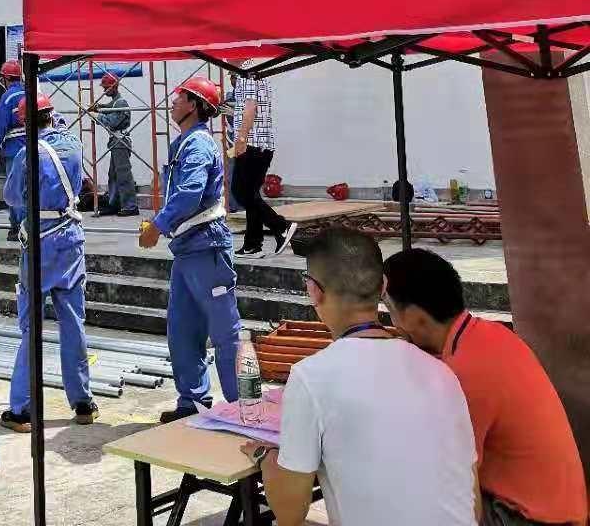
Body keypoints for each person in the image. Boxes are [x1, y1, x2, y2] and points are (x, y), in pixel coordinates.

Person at [259, 228, 477, 526]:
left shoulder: (311, 377)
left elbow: (290, 514)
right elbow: (471, 500)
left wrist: (266, 459)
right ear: (383, 285)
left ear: (313, 290)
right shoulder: (441, 372)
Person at [383, 248, 587, 526]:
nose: (392, 323)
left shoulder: (463, 375)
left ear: (414, 317)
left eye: (390, 308)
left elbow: (457, 481)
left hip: (528, 518)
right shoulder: (490, 334)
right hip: (562, 506)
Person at [139, 77, 241, 422]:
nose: (173, 101)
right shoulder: (184, 142)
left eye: (180, 97)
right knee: (183, 330)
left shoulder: (197, 144)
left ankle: (242, 408)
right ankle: (193, 403)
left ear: (194, 105)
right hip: (187, 248)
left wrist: (157, 225)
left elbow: (189, 194)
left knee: (224, 331)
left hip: (206, 247)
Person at [1, 92, 97, 432]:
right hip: (70, 238)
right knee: (73, 322)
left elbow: (12, 196)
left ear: (24, 120)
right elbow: (81, 183)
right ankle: (83, 402)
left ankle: (23, 409)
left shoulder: (27, 153)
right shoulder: (73, 145)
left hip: (41, 242)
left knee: (32, 327)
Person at [229, 74, 295, 256]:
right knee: (251, 196)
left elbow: (250, 107)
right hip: (261, 146)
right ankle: (252, 244)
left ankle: (281, 226)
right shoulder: (259, 73)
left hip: (251, 145)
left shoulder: (247, 74)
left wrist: (241, 139)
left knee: (240, 192)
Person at [0, 58, 26, 240]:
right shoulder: (30, 93)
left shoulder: (8, 97)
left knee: (15, 189)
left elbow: (0, 125)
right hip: (34, 148)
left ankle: (17, 227)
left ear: (5, 78)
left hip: (14, 149)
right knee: (30, 187)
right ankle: (30, 225)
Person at [95, 72, 138, 218]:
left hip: (120, 141)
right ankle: (114, 204)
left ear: (114, 87)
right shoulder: (115, 102)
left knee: (123, 174)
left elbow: (113, 122)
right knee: (113, 175)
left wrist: (98, 115)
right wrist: (98, 108)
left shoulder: (120, 103)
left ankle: (130, 206)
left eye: (106, 88)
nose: (104, 91)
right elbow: (108, 107)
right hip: (115, 141)